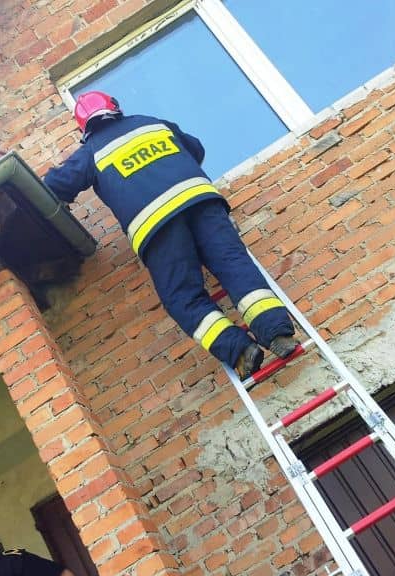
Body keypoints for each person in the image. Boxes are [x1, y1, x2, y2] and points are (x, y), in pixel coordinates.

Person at [44, 91, 299, 378]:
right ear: (115, 107)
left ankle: (240, 351)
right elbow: (195, 148)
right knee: (234, 264)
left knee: (183, 297)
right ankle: (277, 331)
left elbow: (55, 185)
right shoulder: (152, 123)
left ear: (84, 126)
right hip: (202, 203)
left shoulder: (91, 152)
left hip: (157, 227)